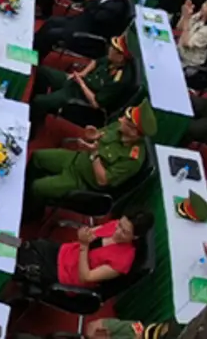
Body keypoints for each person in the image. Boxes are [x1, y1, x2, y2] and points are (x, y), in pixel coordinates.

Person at [27, 99, 156, 205]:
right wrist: (92, 136)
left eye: (126, 121)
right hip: (76, 158)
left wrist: (94, 154)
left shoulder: (132, 159)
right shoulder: (118, 127)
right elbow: (99, 136)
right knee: (37, 157)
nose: (121, 120)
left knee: (37, 187)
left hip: (81, 181)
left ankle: (31, 210)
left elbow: (102, 180)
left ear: (134, 132)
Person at [16, 211, 153, 291]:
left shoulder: (123, 261)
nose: (117, 231)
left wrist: (84, 246)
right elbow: (88, 234)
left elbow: (86, 277)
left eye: (124, 232)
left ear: (135, 237)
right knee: (26, 244)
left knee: (21, 264)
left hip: (65, 274)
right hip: (64, 252)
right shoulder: (116, 224)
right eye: (119, 225)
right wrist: (83, 235)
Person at [28, 34, 134, 125]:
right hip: (75, 81)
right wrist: (82, 74)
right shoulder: (112, 60)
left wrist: (81, 83)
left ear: (121, 57)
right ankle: (39, 107)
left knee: (38, 101)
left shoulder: (118, 80)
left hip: (77, 95)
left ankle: (31, 127)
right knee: (42, 72)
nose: (110, 49)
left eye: (114, 49)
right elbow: (95, 62)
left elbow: (96, 103)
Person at [34, 0, 134, 58]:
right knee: (50, 21)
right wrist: (91, 0)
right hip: (81, 20)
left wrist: (90, 0)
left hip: (85, 32)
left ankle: (37, 56)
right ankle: (33, 45)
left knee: (51, 34)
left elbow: (96, 17)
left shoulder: (117, 9)